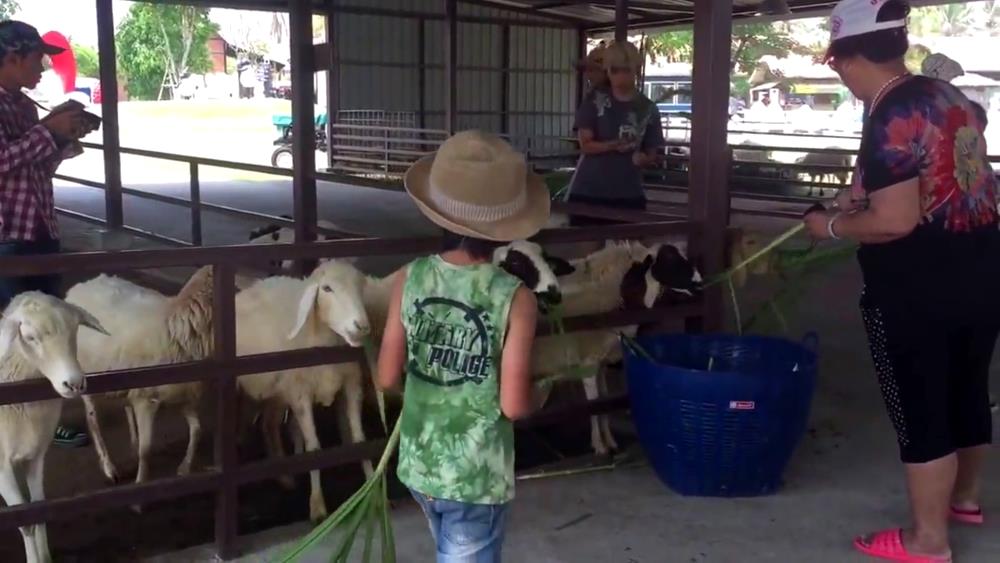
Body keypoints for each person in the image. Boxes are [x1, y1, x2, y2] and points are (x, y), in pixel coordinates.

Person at [804, 1, 1000, 561]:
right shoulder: (949, 97)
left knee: (921, 402)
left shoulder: (889, 112)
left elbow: (894, 222)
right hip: (984, 264)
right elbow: (937, 177)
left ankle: (928, 540)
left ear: (845, 58)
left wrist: (832, 225)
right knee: (966, 386)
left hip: (921, 281)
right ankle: (964, 498)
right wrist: (861, 198)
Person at [376, 130, 543, 562]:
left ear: (437, 214)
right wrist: (535, 395)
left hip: (419, 466)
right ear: (505, 228)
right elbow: (512, 405)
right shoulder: (516, 298)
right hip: (475, 477)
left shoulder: (408, 278)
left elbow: (386, 376)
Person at [0, 21, 95, 448]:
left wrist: (62, 142)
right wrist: (49, 132)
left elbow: (33, 168)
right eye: (37, 59)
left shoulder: (23, 107)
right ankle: (8, 421)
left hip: (40, 229)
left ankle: (44, 415)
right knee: (13, 334)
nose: (42, 68)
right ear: (12, 58)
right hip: (6, 235)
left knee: (50, 329)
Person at [566, 40, 664, 228]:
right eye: (614, 70)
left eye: (626, 70)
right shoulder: (594, 101)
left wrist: (644, 159)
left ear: (636, 69)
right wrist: (614, 145)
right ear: (608, 71)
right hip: (589, 192)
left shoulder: (648, 109)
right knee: (587, 253)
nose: (620, 77)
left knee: (630, 254)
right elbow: (585, 144)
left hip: (629, 194)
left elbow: (653, 152)